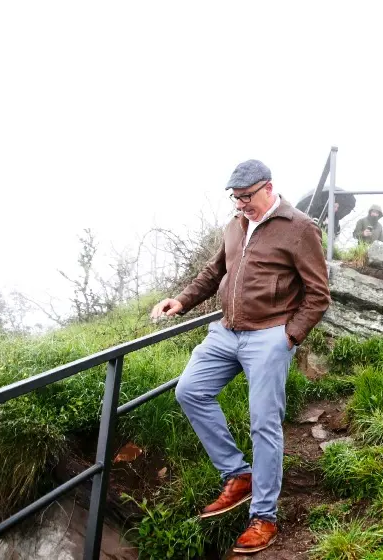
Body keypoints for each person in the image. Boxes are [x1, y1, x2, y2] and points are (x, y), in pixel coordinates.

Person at [149, 159, 330, 555]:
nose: (241, 205)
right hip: (226, 332)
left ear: (268, 187)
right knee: (190, 391)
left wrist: (290, 336)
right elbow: (214, 272)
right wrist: (180, 300)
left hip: (270, 335)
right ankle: (238, 474)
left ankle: (264, 517)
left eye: (246, 197)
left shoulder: (299, 228)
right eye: (235, 198)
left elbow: (319, 294)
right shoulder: (236, 224)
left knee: (263, 423)